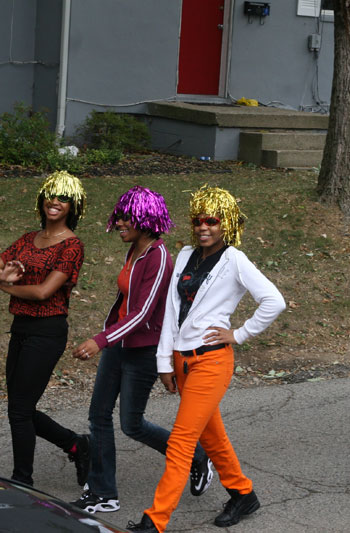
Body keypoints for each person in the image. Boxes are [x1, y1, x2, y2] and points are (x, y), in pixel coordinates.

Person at [127, 185, 286, 533]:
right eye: (199, 220)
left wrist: (239, 333)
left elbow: (274, 301)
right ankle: (243, 494)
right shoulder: (184, 255)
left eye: (212, 221)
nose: (204, 228)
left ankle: (155, 520)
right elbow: (171, 311)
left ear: (225, 223)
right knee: (212, 437)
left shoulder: (235, 260)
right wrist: (165, 363)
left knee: (183, 441)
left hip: (212, 362)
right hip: (182, 362)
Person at [70, 187, 214, 514]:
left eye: (126, 217)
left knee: (131, 424)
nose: (119, 222)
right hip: (119, 344)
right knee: (98, 416)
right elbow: (126, 302)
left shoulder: (160, 257)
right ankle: (104, 492)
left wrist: (100, 340)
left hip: (144, 350)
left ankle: (196, 457)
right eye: (118, 216)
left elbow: (143, 312)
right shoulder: (135, 249)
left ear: (146, 219)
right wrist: (109, 335)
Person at [0, 170, 88, 487]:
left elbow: (43, 292)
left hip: (48, 330)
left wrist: (2, 287)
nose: (56, 202)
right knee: (19, 408)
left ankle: (22, 481)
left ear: (73, 206)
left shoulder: (72, 246)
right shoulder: (28, 239)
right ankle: (76, 444)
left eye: (64, 198)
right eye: (52, 195)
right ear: (42, 200)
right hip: (21, 327)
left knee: (20, 410)